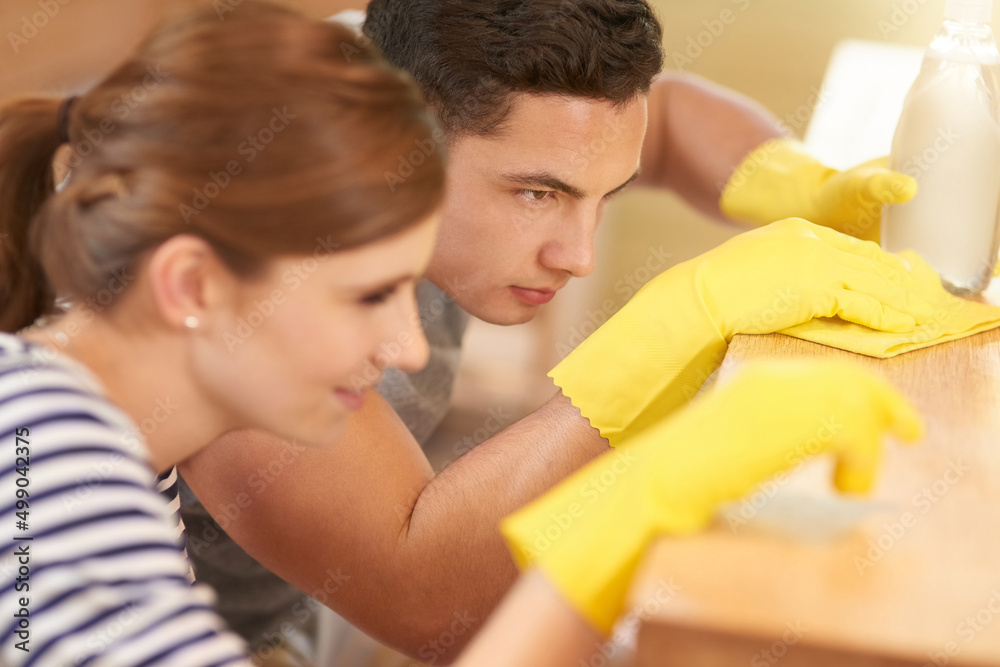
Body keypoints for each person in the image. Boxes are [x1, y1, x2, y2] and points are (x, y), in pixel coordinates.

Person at [175, 0, 932, 663]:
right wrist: (665, 333)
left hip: (305, 611)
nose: (577, 255)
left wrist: (799, 179)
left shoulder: (391, 59)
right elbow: (427, 606)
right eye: (538, 193)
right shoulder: (246, 256)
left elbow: (650, 119)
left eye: (608, 193)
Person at [0, 2, 443, 663]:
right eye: (370, 294)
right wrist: (565, 591)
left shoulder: (65, 429)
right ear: (192, 284)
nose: (411, 347)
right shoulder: (59, 477)